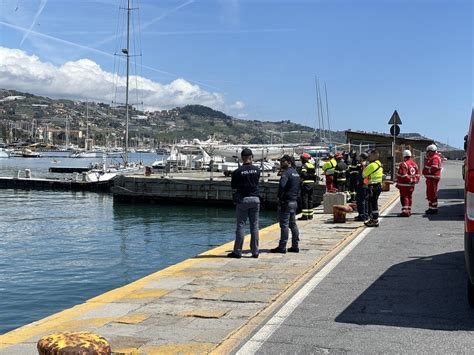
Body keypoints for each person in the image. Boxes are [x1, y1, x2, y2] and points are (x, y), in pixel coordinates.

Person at [228, 148, 261, 259]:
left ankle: (237, 251)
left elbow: (233, 186)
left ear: (242, 158)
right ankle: (255, 251)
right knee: (255, 226)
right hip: (255, 199)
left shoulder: (238, 172)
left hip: (243, 200)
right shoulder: (257, 170)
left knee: (241, 226)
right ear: (252, 157)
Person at [271, 155, 301, 254]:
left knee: (284, 225)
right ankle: (295, 245)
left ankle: (282, 247)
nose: (280, 163)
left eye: (282, 161)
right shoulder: (296, 173)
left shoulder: (286, 173)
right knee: (293, 224)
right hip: (294, 201)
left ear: (288, 162)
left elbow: (282, 186)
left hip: (286, 202)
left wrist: (279, 198)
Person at [396, 149, 420, 217]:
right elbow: (418, 174)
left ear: (404, 156)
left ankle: (405, 211)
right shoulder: (415, 164)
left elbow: (404, 175)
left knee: (404, 197)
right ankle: (409, 210)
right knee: (409, 197)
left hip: (404, 184)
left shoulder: (403, 164)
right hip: (411, 185)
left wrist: (409, 180)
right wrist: (414, 180)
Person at [362, 150, 383, 227]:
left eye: (370, 156)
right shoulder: (379, 163)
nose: (368, 157)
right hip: (378, 185)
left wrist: (364, 166)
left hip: (373, 186)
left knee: (372, 203)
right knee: (374, 202)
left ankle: (374, 220)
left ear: (374, 156)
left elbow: (364, 174)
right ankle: (374, 219)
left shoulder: (372, 165)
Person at [422, 144, 442, 214]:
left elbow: (434, 167)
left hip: (433, 178)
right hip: (430, 178)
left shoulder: (435, 158)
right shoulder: (432, 157)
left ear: (431, 151)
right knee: (430, 193)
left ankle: (434, 208)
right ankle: (431, 208)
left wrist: (427, 171)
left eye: (428, 152)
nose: (427, 153)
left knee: (433, 193)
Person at [298, 152, 316, 220]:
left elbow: (303, 174)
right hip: (312, 184)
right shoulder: (312, 165)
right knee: (310, 199)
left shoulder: (304, 166)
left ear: (303, 159)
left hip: (305, 184)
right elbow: (314, 175)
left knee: (304, 199)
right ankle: (310, 215)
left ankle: (305, 216)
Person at [354, 152, 369, 221]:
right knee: (366, 200)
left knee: (360, 200)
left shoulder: (363, 165)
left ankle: (362, 215)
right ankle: (365, 214)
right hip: (367, 184)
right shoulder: (368, 164)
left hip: (362, 184)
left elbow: (362, 175)